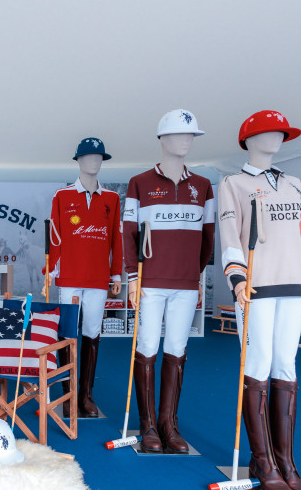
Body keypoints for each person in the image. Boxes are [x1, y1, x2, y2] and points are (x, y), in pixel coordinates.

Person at [218, 110, 301, 490]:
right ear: (249, 138)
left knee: (286, 365)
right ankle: (263, 462)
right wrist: (237, 278)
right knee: (257, 364)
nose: (277, 138)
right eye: (270, 132)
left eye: (281, 133)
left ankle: (286, 464)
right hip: (255, 287)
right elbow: (229, 234)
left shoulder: (295, 184)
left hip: (294, 285)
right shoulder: (233, 183)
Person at [122, 109, 214, 453]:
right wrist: (133, 277)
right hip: (150, 281)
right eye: (179, 134)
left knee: (177, 349)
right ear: (163, 139)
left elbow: (208, 237)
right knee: (147, 346)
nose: (186, 140)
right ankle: (147, 425)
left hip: (185, 283)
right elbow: (128, 233)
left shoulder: (203, 186)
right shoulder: (140, 183)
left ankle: (168, 424)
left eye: (191, 135)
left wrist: (195, 274)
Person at [46, 137, 123, 417]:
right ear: (78, 160)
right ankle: (68, 394)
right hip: (70, 278)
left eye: (99, 157)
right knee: (67, 333)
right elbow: (55, 236)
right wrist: (50, 270)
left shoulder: (112, 199)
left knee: (92, 333)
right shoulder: (62, 196)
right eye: (89, 157)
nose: (94, 162)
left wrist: (116, 274)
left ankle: (86, 395)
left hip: (98, 279)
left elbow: (116, 239)